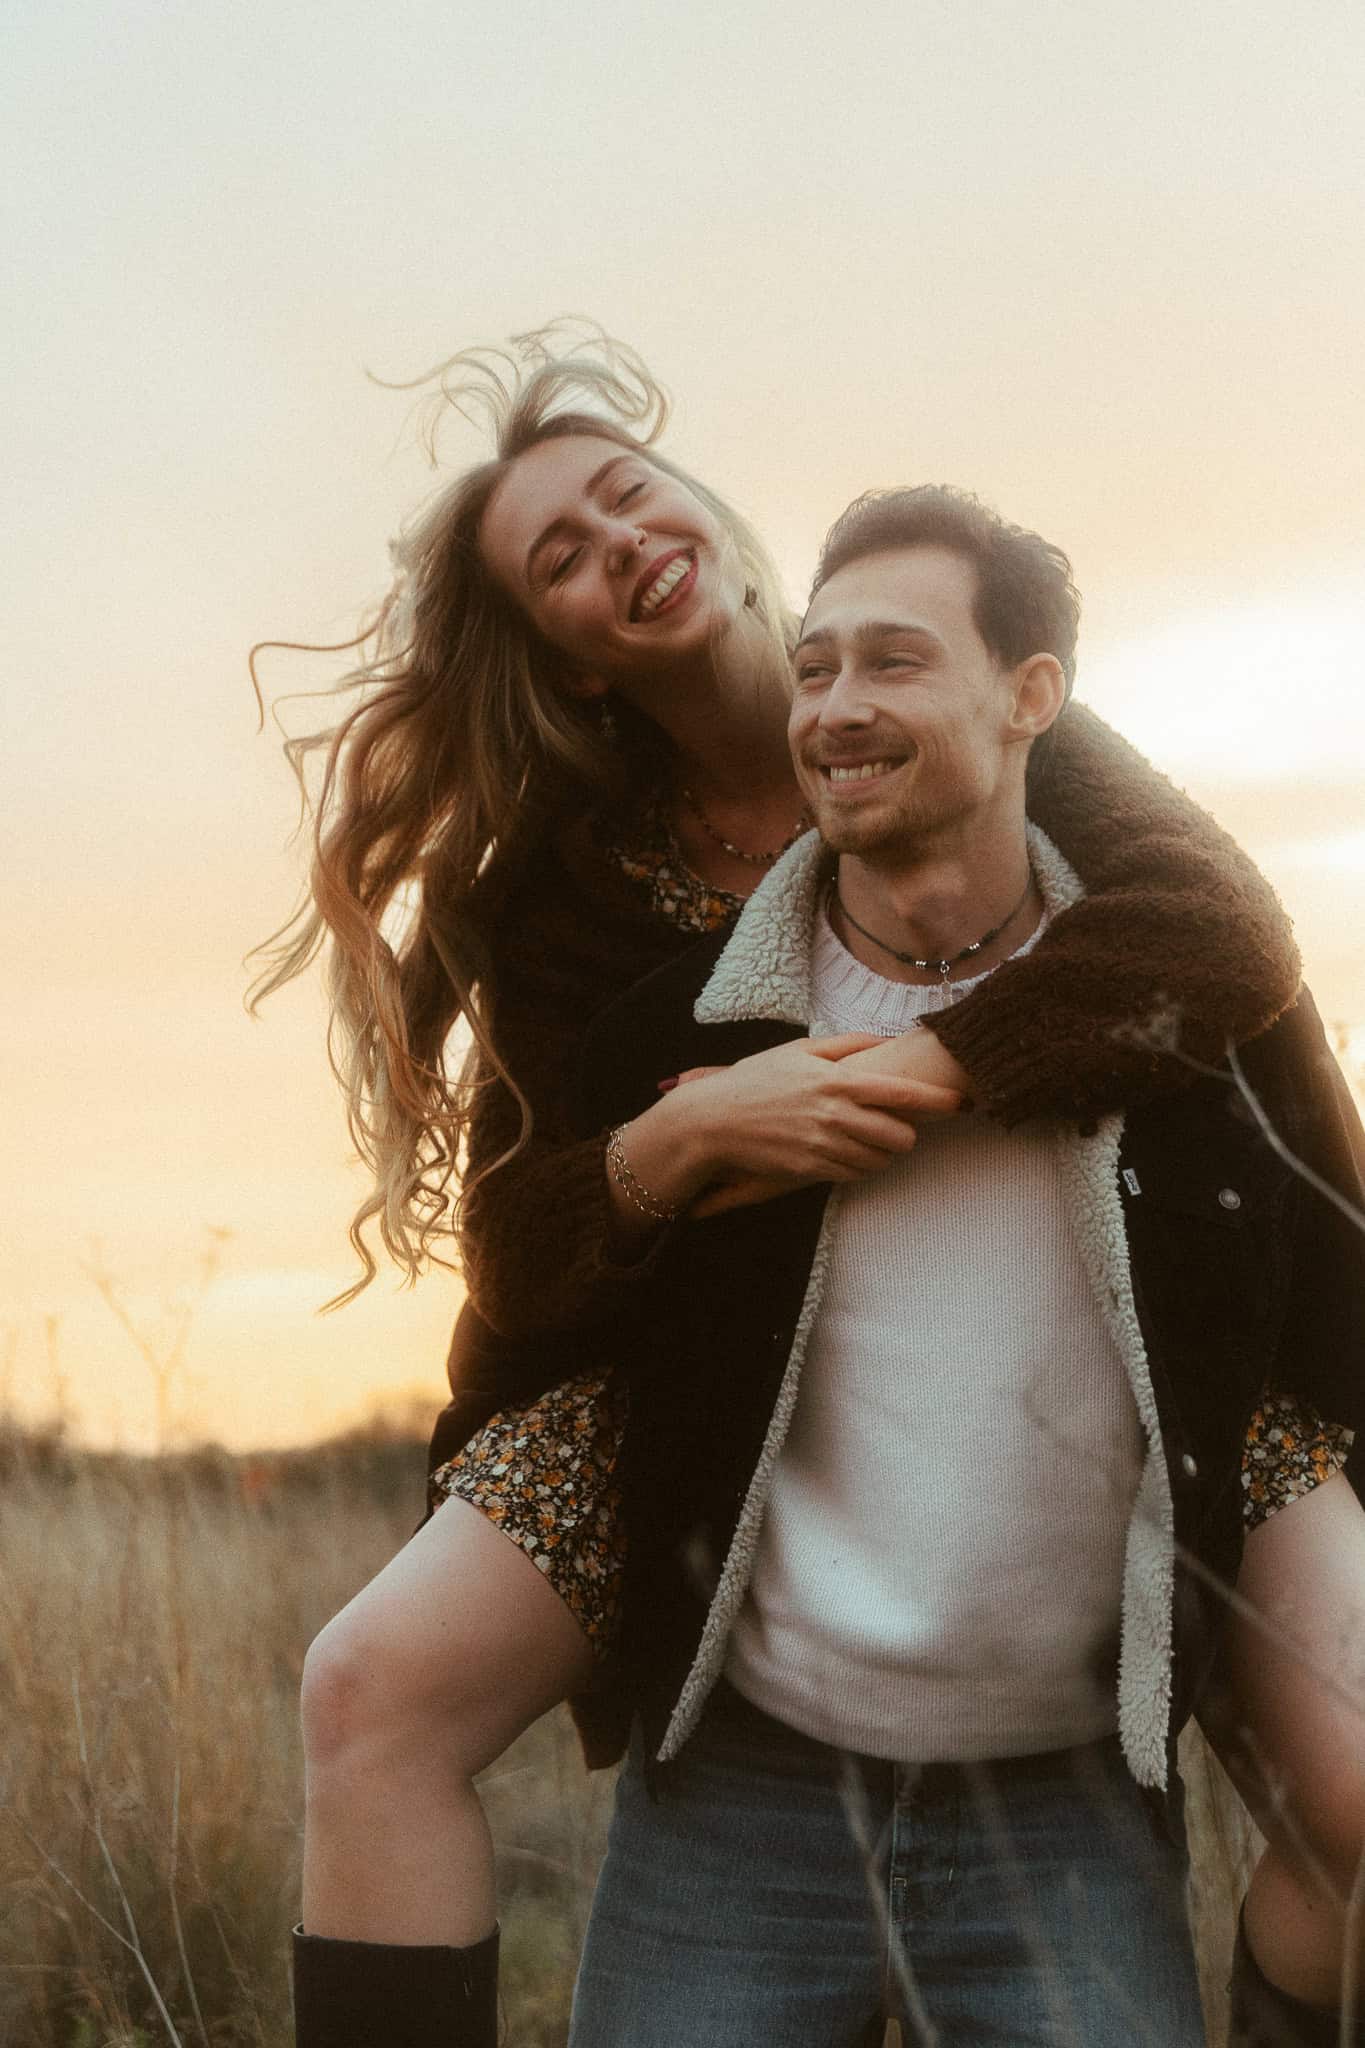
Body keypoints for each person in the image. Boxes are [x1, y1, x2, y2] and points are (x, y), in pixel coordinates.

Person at [247, 327, 1326, 2046]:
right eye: (565, 564)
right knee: (368, 1689)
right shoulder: (576, 896)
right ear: (572, 656)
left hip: (1108, 1305)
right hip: (676, 1354)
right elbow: (523, 1236)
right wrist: (675, 1140)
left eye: (628, 497)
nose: (621, 549)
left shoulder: (991, 709)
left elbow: (1220, 936)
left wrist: (925, 1059)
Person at [549, 489, 1365, 2046]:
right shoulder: (688, 1038)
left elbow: (1335, 1275)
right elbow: (535, 1304)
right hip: (738, 1799)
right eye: (812, 668)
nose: (837, 707)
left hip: (1062, 1805)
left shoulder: (1197, 1022)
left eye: (893, 662)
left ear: (1029, 697)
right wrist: (664, 1153)